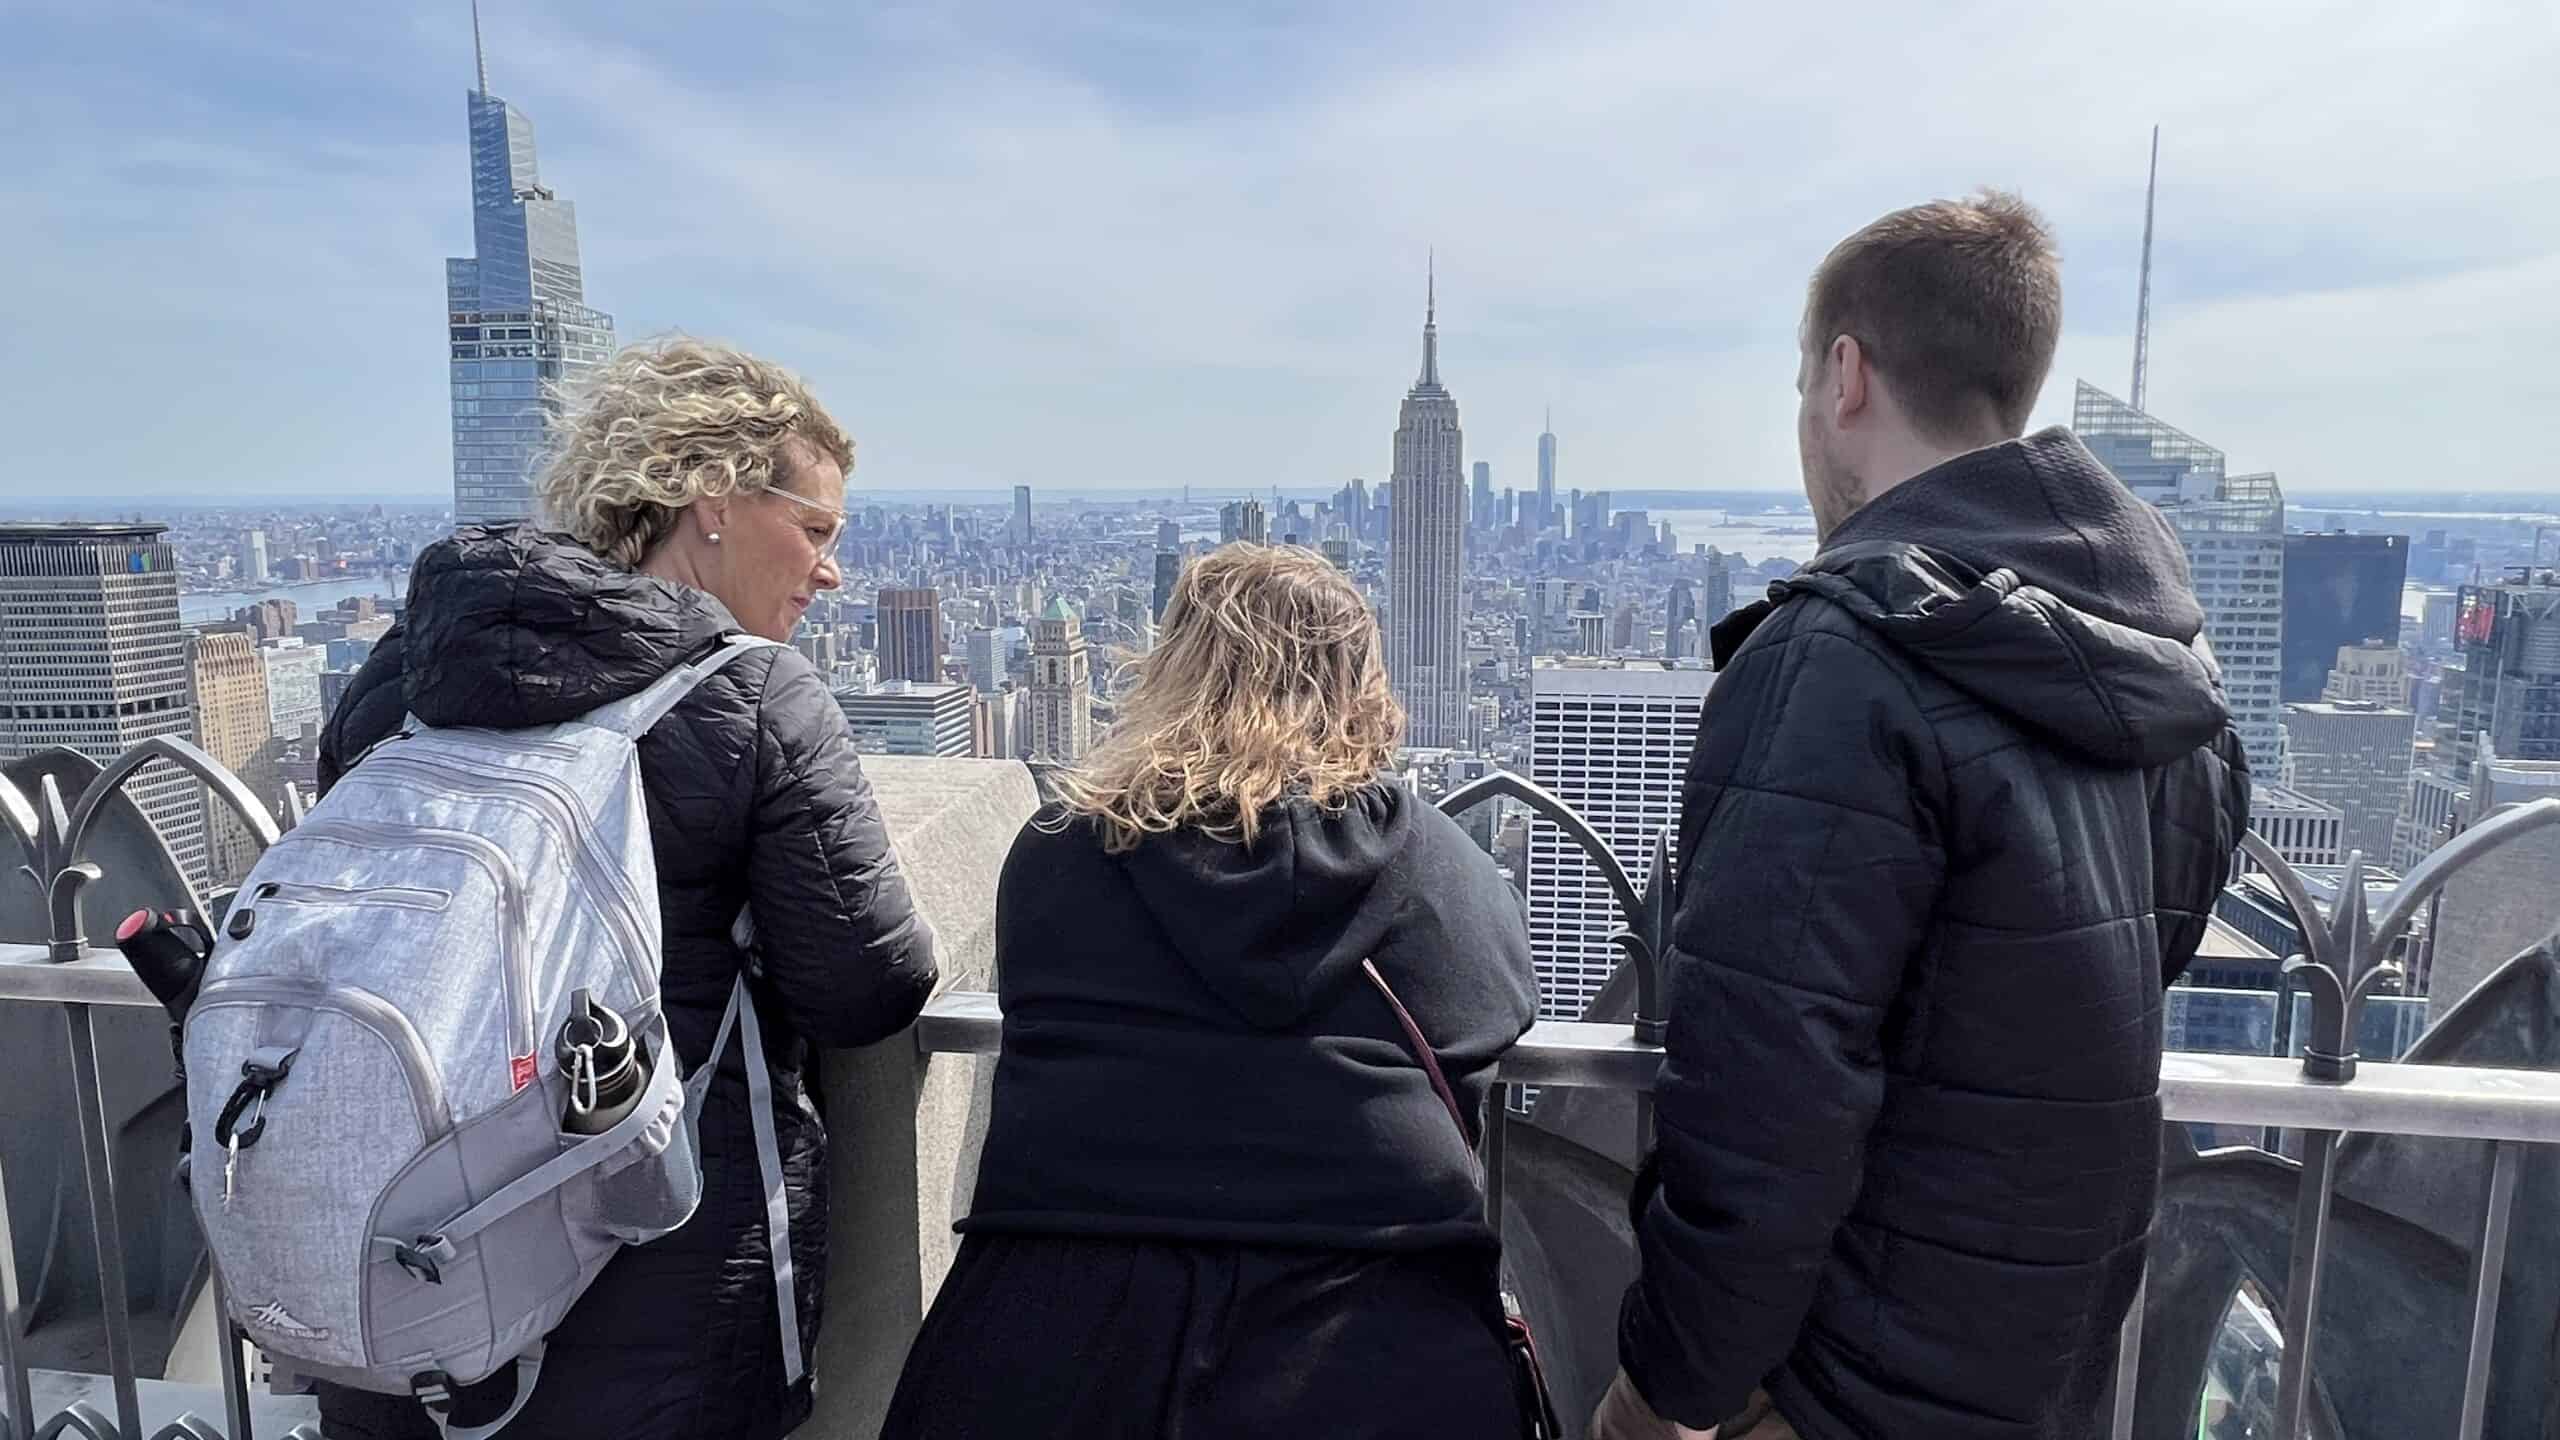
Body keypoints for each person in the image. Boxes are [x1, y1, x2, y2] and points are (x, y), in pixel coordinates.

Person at [1592, 193, 2250, 1440]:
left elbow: (1763, 1096)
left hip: (1842, 1383)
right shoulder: (2166, 667)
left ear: (1846, 375)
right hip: (2041, 1368)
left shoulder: (1841, 663)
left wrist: (1666, 1389)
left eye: (1802, 381)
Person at [315, 338, 937, 1440]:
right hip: (663, 1284)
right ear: (713, 499)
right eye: (817, 528)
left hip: (407, 1272)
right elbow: (864, 987)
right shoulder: (751, 694)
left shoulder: (407, 673)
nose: (831, 569)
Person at [882, 543, 1539, 1439]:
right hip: (1371, 1331)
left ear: (1173, 667)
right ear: (1362, 682)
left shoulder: (1062, 849)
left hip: (1054, 1324)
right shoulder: (1441, 865)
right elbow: (1491, 1015)